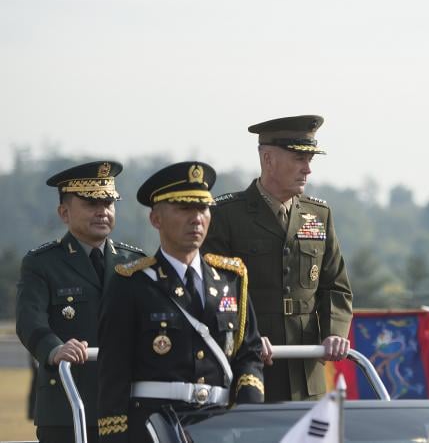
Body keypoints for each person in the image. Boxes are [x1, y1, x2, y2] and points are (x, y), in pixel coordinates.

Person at [97, 162, 264, 442]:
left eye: (203, 208)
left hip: (219, 429)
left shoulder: (230, 279)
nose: (196, 218)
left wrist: (249, 415)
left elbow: (249, 354)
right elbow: (113, 374)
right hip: (154, 429)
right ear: (156, 219)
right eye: (184, 208)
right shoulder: (131, 284)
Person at [203, 115, 353, 401]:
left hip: (306, 373)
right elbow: (214, 290)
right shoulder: (226, 215)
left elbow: (335, 285)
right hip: (250, 369)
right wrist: (243, 335)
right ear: (268, 159)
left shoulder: (318, 215)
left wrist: (334, 332)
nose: (308, 169)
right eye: (299, 159)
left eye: (310, 159)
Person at [16, 161, 146, 443]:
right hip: (67, 406)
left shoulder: (136, 263)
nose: (102, 211)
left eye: (108, 203)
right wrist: (55, 350)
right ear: (64, 212)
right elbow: (29, 321)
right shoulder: (42, 263)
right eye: (90, 203)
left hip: (127, 408)